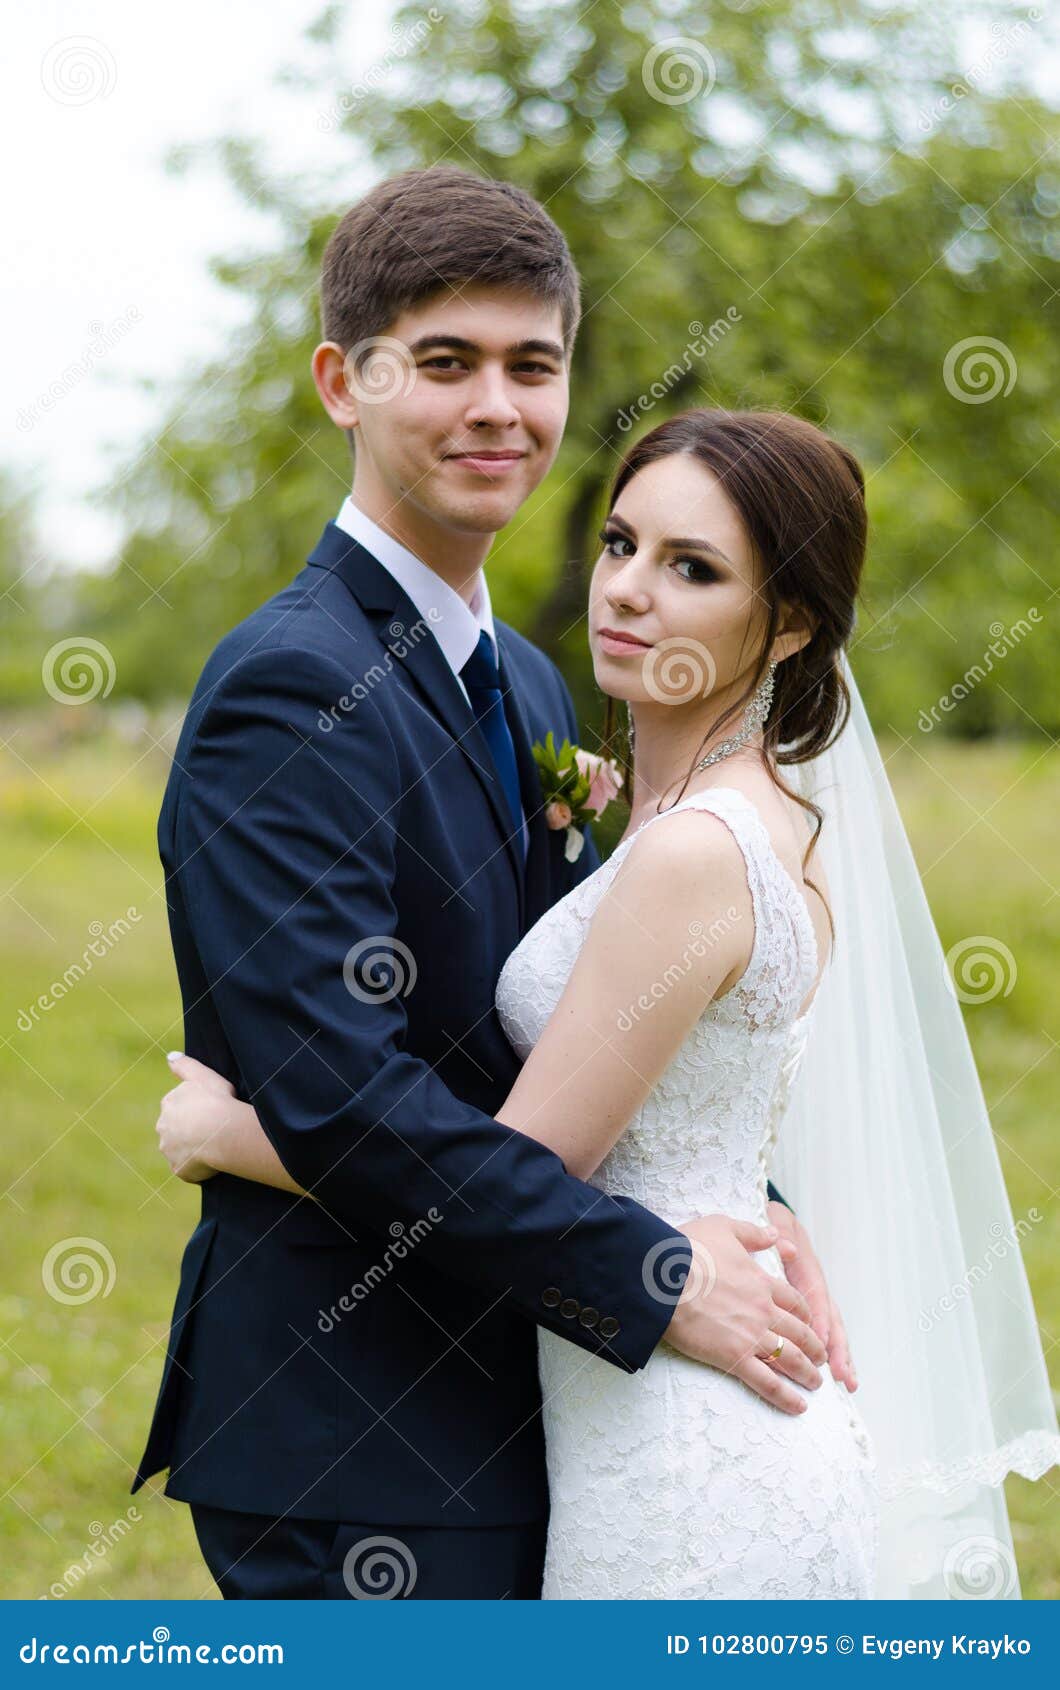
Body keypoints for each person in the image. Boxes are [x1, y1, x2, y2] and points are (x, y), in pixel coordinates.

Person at [158, 404, 1060, 1598]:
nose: (628, 589)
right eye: (622, 543)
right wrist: (758, 1202)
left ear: (787, 625)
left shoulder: (692, 850)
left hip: (683, 1451)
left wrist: (237, 1135)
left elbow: (535, 1154)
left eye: (692, 568)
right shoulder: (733, 813)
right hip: (653, 1397)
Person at [134, 168, 846, 1602]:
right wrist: (657, 1271)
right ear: (344, 380)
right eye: (444, 362)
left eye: (534, 365)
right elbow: (349, 1100)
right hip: (361, 1434)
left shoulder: (523, 676)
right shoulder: (291, 686)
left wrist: (756, 1214)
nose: (498, 408)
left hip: (540, 1409)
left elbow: (610, 1033)